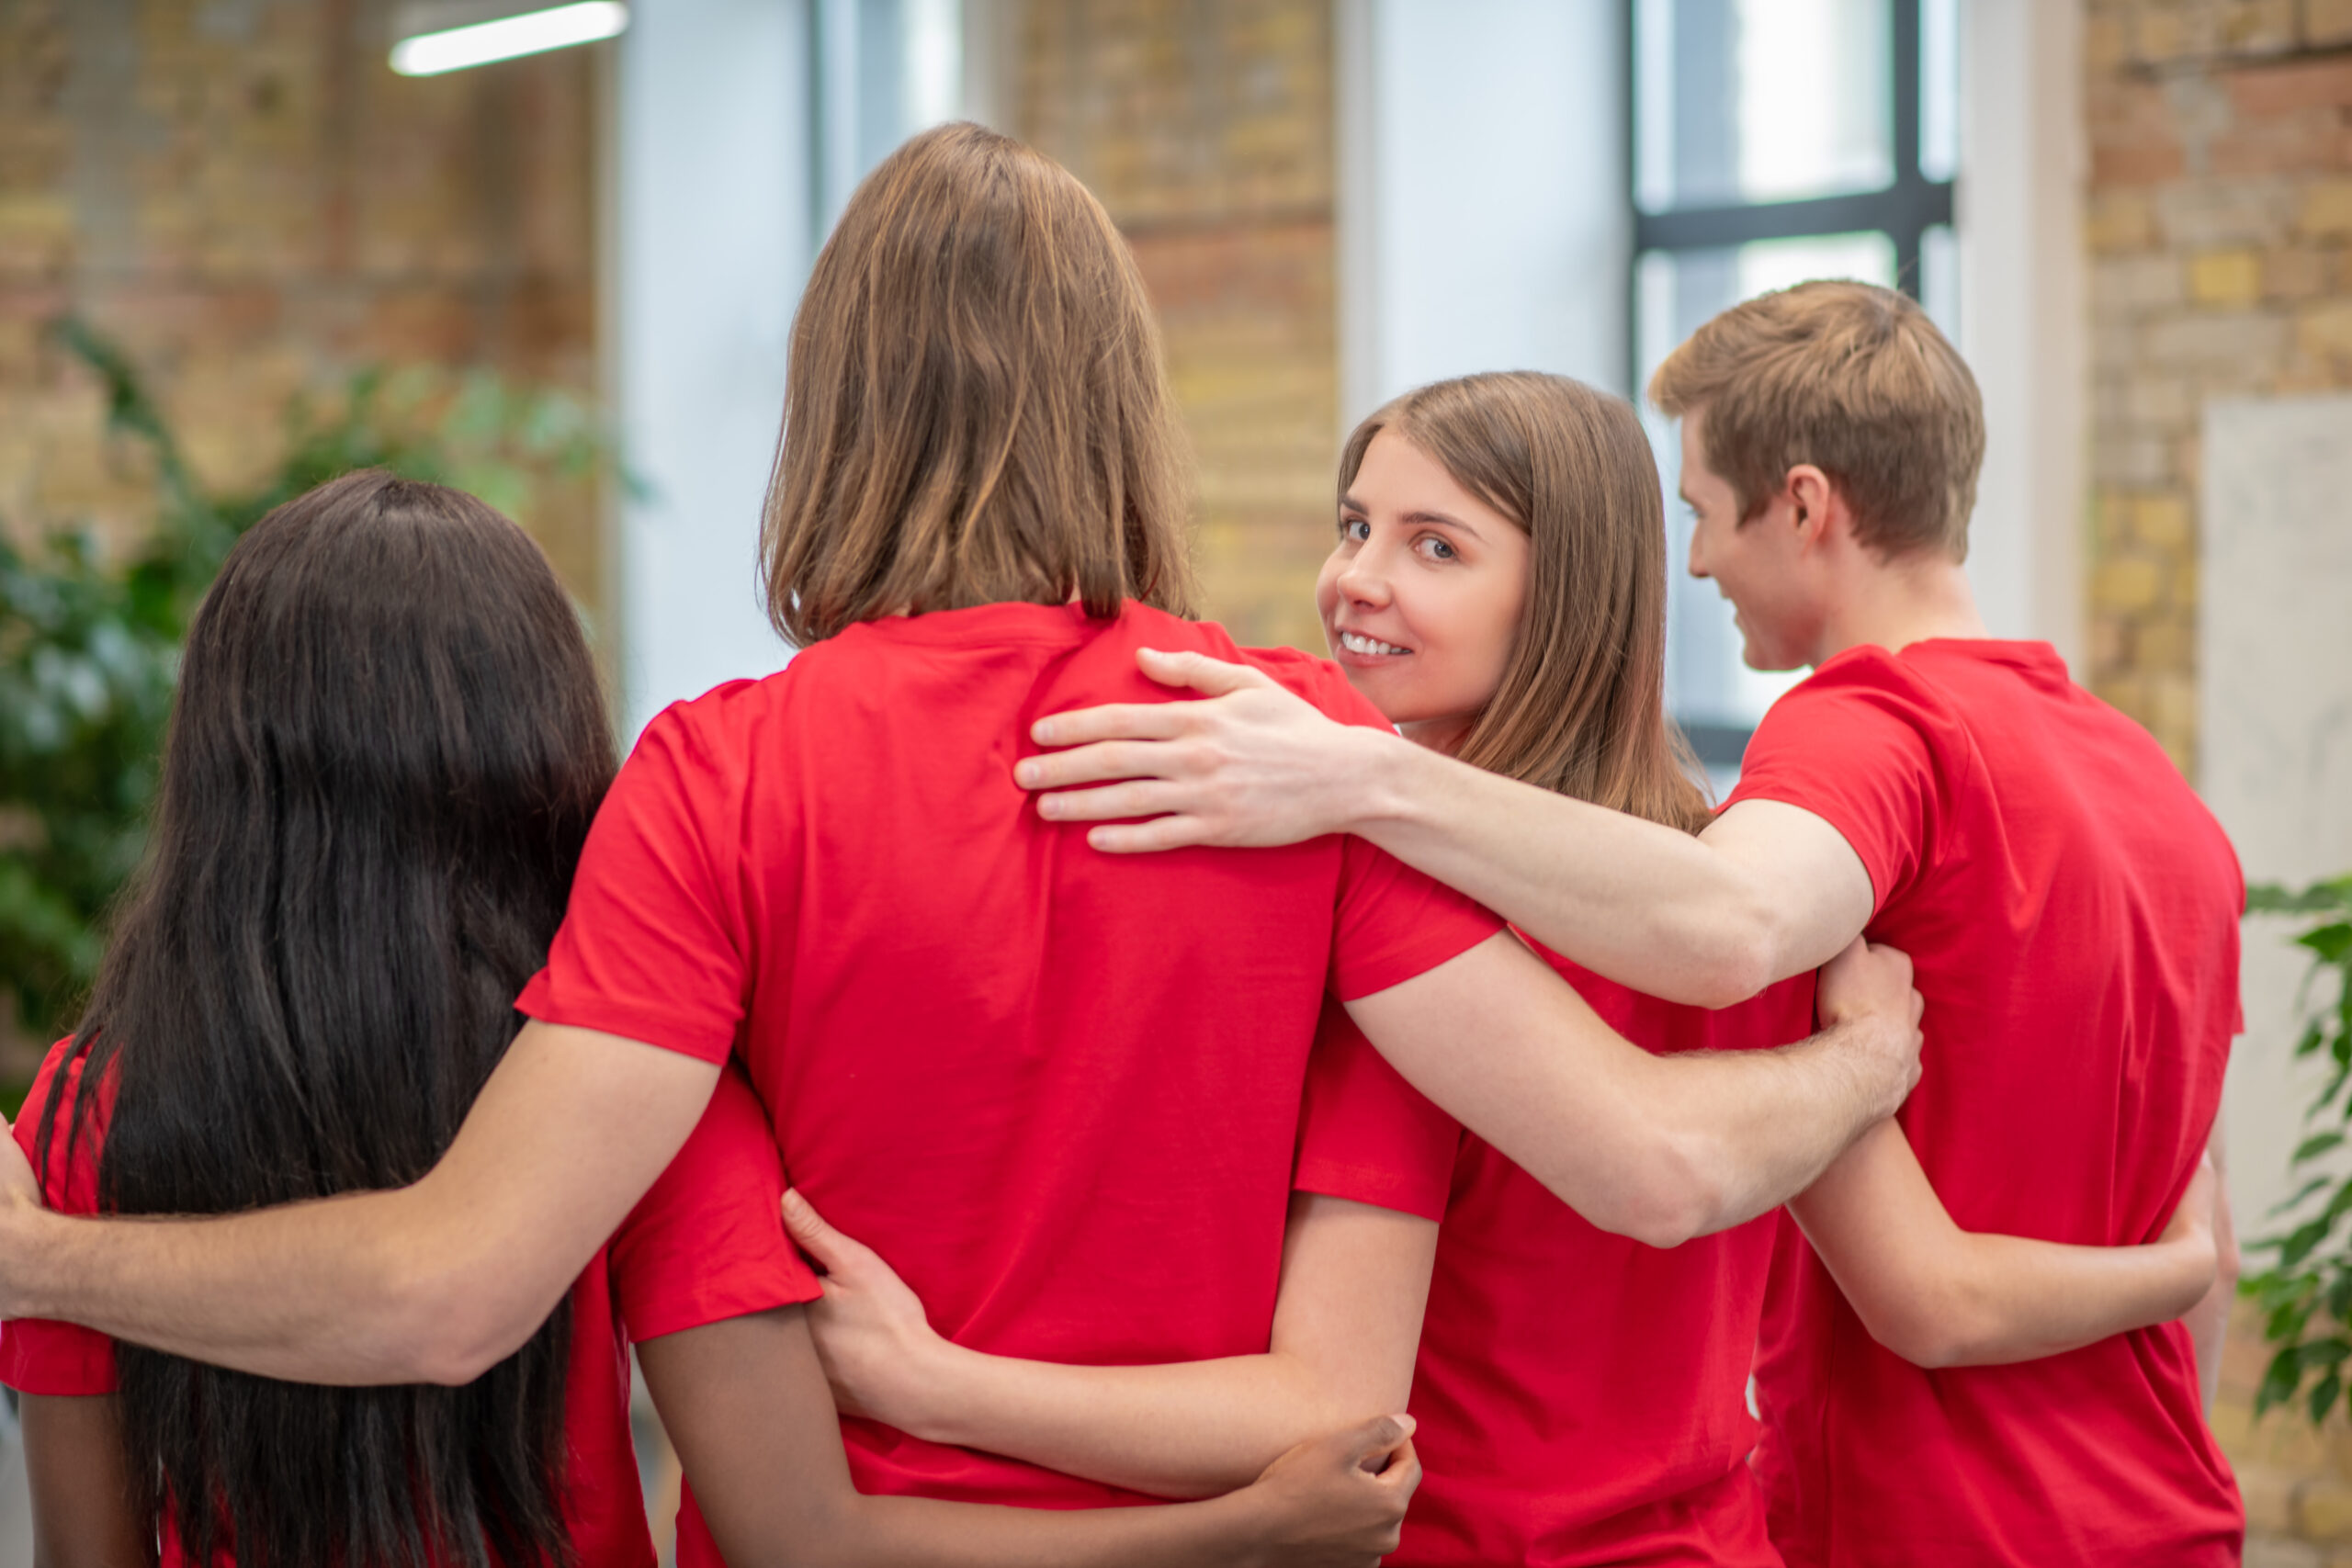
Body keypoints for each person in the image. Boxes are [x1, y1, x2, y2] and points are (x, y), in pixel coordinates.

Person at [0, 127, 1914, 1534]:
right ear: (1125, 399)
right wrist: (1852, 1067)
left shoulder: (719, 776)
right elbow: (1640, 1162)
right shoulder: (1279, 745)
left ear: (828, 405)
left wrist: (57, 1261)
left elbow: (454, 1283)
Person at [772, 371, 2222, 1567]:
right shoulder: (1764, 905)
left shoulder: (1416, 914)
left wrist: (936, 1389)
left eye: (1434, 547)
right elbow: (1900, 1263)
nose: (1356, 580)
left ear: (1567, 591)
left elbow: (1346, 1387)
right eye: (1356, 526)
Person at [5, 468, 1419, 1568]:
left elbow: (88, 1551)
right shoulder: (631, 1097)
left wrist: (51, 1263)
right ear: (538, 755)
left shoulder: (79, 1115)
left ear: (225, 763)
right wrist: (1231, 1536)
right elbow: (802, 1534)